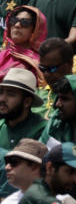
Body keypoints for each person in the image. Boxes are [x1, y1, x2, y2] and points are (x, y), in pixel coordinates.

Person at [0, 69, 45, 197]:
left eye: (11, 94)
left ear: (27, 102)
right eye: (1, 92)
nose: (2, 99)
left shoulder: (42, 130)